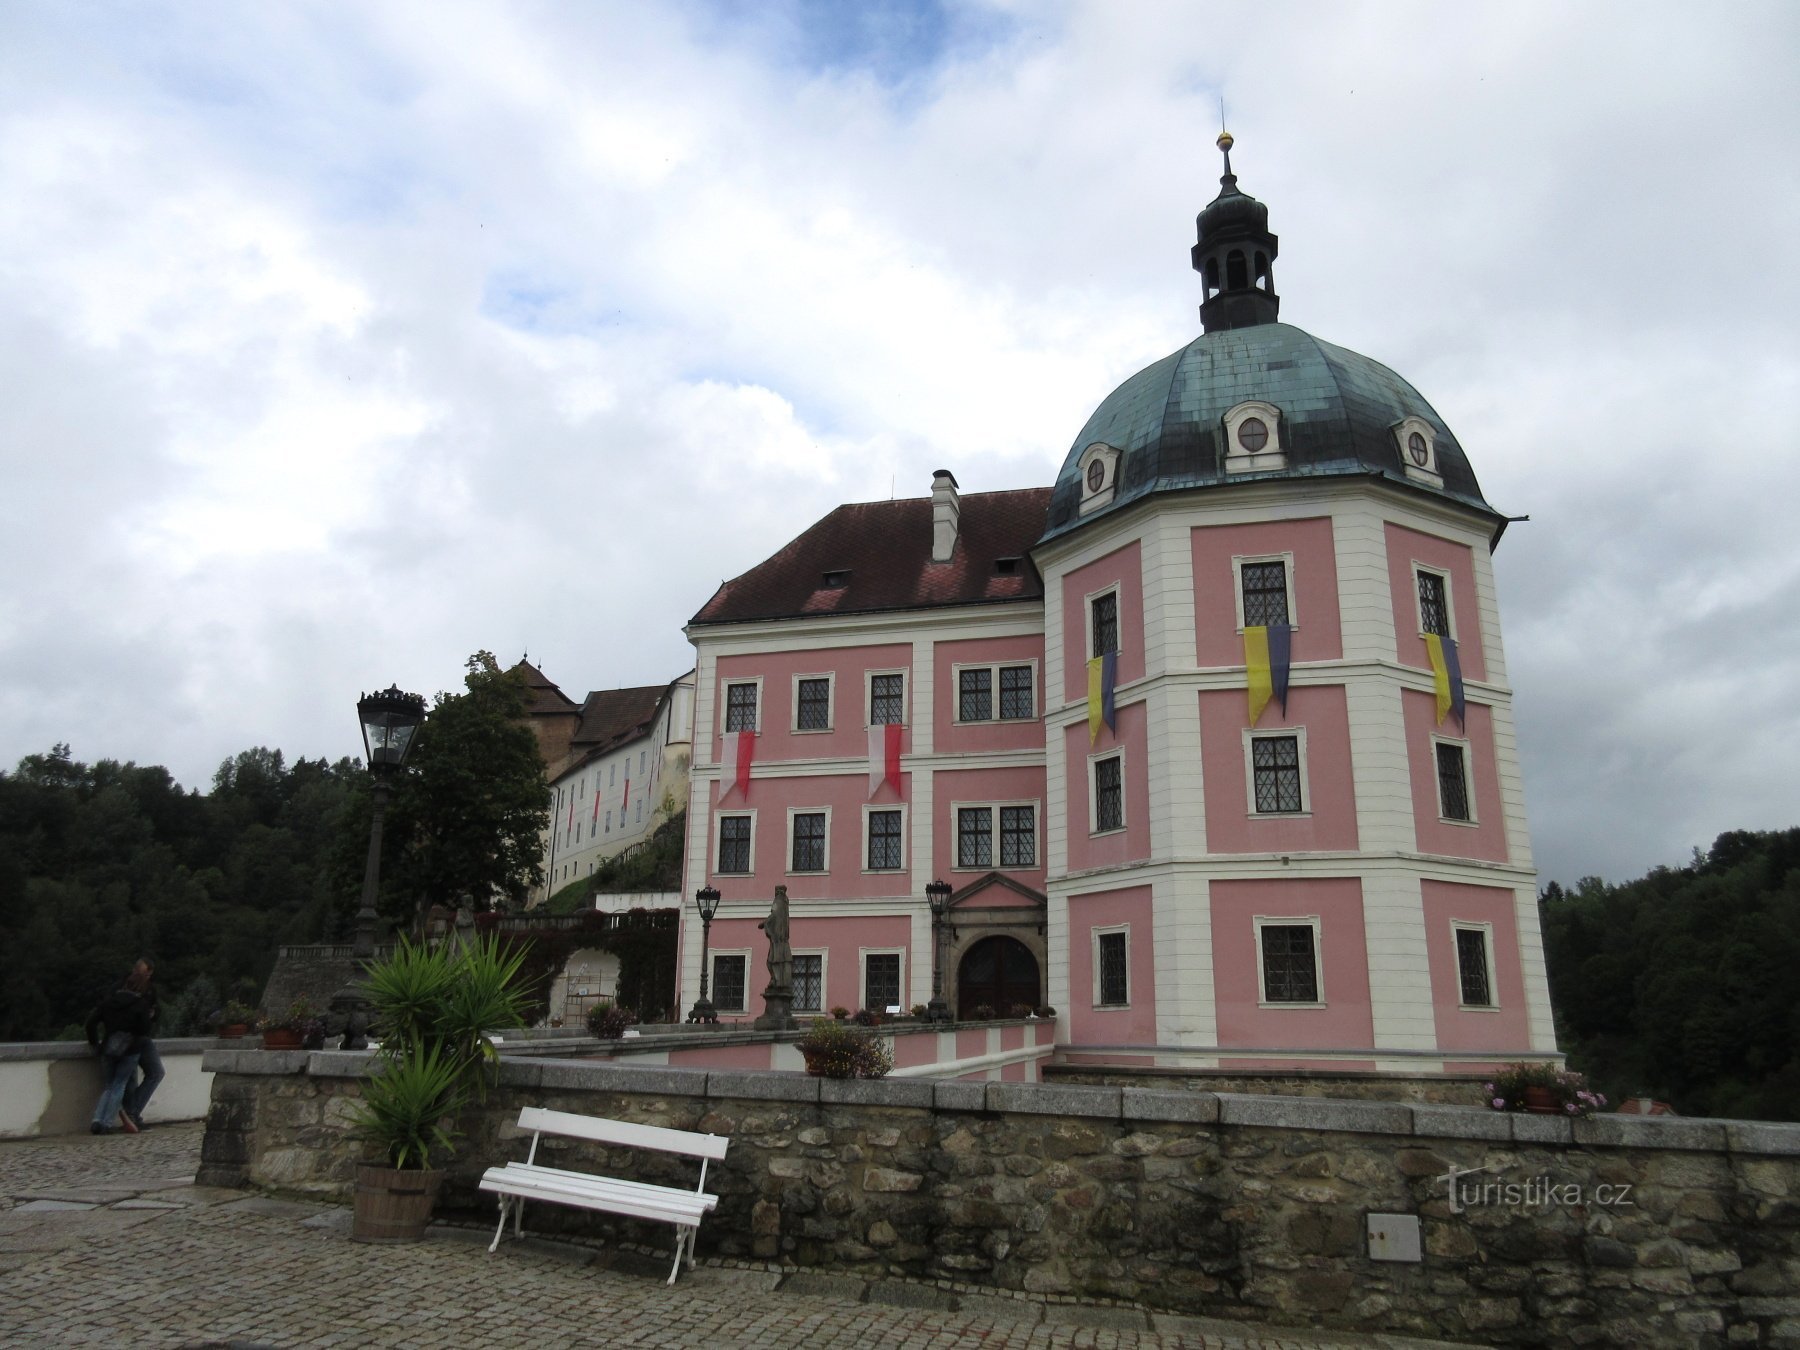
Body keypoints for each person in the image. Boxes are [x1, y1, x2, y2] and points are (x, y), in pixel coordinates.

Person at [84, 958, 162, 1135]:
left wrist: (95, 1044)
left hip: (108, 1046)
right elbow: (145, 1029)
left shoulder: (109, 1001)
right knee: (120, 1085)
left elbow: (90, 1023)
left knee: (110, 1085)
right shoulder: (141, 1004)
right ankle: (107, 1122)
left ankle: (97, 1119)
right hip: (130, 1049)